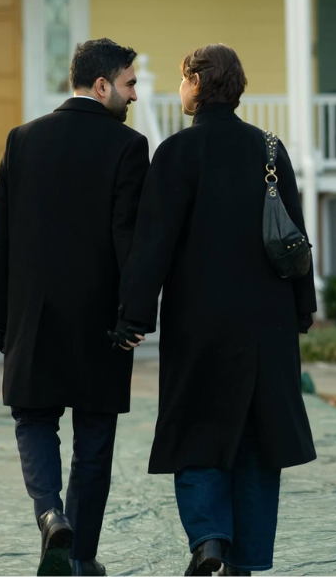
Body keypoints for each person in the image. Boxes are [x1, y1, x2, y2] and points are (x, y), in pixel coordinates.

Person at [109, 43, 317, 577]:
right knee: (256, 439)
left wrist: (134, 316)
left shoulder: (177, 154)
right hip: (266, 321)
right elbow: (294, 238)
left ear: (197, 84)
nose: (180, 90)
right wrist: (302, 309)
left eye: (183, 80)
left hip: (200, 323)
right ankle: (243, 563)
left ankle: (208, 544)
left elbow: (152, 244)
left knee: (198, 432)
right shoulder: (271, 151)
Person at [0, 38, 148, 576]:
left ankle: (50, 512)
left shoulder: (22, 139)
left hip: (33, 313)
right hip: (101, 320)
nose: (134, 94)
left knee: (34, 419)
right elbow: (129, 239)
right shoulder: (128, 146)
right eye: (128, 83)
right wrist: (135, 314)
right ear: (101, 86)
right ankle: (79, 559)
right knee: (94, 439)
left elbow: (0, 236)